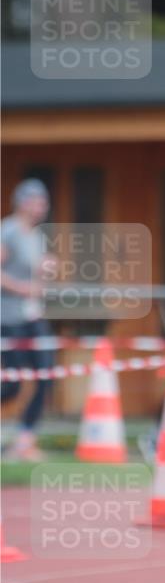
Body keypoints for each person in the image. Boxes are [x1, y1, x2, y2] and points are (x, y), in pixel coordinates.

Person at [1, 178, 54, 461]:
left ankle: (24, 439)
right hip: (9, 317)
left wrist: (47, 269)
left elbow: (37, 273)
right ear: (22, 202)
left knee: (46, 374)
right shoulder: (8, 231)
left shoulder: (38, 235)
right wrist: (22, 288)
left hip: (33, 315)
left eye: (43, 202)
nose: (41, 207)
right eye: (36, 201)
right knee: (13, 384)